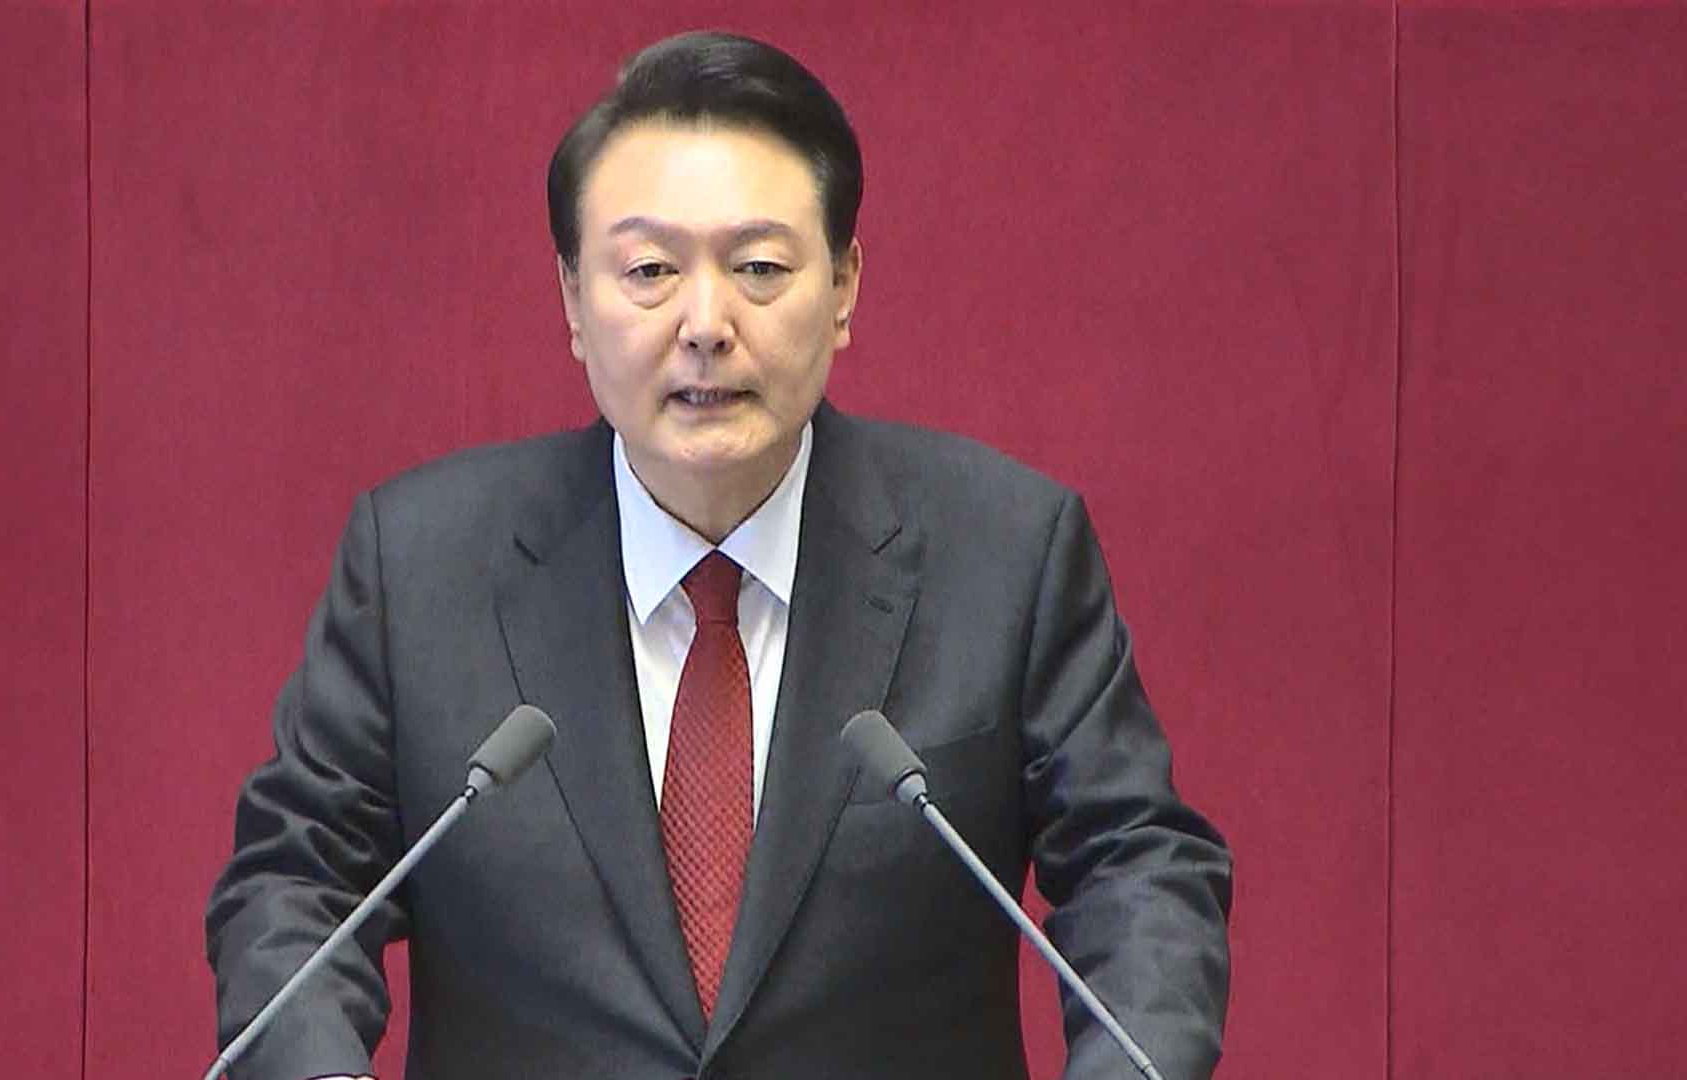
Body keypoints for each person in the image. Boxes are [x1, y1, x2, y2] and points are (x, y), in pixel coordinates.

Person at [207, 30, 1232, 1080]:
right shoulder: (420, 564)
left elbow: (1138, 867)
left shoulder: (1007, 552)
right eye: (651, 270)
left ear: (844, 287)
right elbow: (297, 881)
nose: (707, 324)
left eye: (759, 269)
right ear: (573, 300)